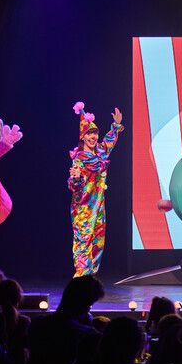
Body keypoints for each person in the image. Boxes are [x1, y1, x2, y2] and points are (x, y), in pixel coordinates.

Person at [68, 102, 123, 277]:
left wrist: (115, 125)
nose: (93, 137)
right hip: (84, 208)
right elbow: (75, 187)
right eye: (89, 134)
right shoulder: (80, 159)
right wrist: (76, 179)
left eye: (94, 133)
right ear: (83, 137)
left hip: (98, 206)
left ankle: (90, 277)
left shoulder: (100, 151)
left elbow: (109, 142)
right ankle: (81, 277)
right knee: (83, 241)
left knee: (98, 241)